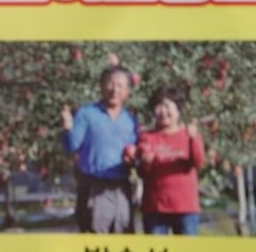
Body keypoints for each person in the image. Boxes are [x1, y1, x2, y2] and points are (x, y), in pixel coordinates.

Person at [61, 65, 139, 234]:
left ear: (128, 91)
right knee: (94, 239)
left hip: (121, 188)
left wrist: (133, 159)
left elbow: (136, 153)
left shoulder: (131, 120)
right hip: (93, 187)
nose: (114, 89)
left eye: (120, 85)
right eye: (110, 84)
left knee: (124, 236)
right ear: (101, 86)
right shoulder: (87, 113)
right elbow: (71, 146)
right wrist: (67, 128)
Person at [137, 86, 205, 235]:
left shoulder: (188, 135)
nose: (163, 111)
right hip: (155, 207)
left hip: (185, 208)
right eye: (158, 106)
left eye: (167, 106)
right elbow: (141, 172)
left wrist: (194, 139)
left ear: (178, 110)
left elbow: (198, 162)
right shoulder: (147, 137)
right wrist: (145, 162)